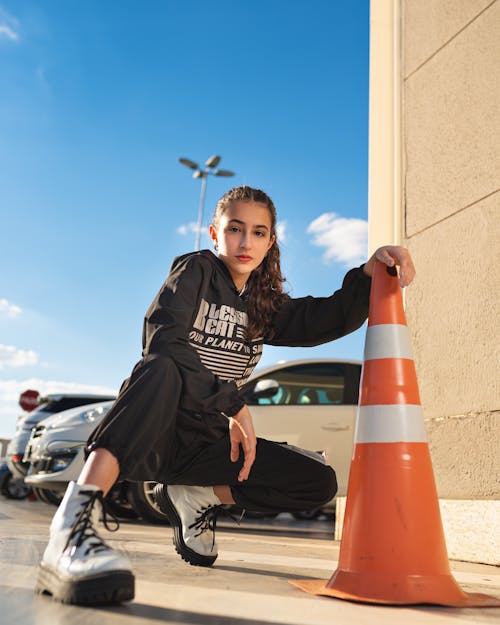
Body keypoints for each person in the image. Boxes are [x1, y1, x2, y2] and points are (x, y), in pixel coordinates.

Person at [36, 186, 415, 605]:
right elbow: (163, 340)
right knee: (159, 368)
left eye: (257, 232)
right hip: (158, 429)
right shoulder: (195, 270)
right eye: (234, 229)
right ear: (215, 234)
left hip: (205, 445)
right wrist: (231, 403)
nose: (245, 241)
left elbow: (320, 319)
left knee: (317, 480)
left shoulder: (262, 304)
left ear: (270, 242)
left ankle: (196, 496)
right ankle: (71, 527)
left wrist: (367, 273)